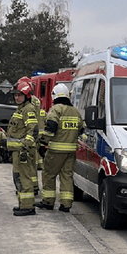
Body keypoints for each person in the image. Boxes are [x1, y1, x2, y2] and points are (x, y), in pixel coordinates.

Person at [35, 83, 83, 212]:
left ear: (54, 95)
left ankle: (48, 202)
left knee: (49, 174)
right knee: (67, 176)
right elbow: (81, 130)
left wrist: (42, 143)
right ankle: (66, 204)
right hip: (71, 151)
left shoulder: (56, 109)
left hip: (56, 151)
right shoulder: (76, 111)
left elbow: (50, 128)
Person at [7, 77, 39, 216]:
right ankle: (22, 204)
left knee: (24, 178)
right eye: (15, 95)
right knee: (17, 177)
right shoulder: (20, 109)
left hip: (22, 151)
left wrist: (25, 146)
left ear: (26, 96)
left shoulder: (28, 109)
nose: (16, 97)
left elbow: (33, 130)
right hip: (17, 151)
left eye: (19, 95)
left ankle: (28, 207)